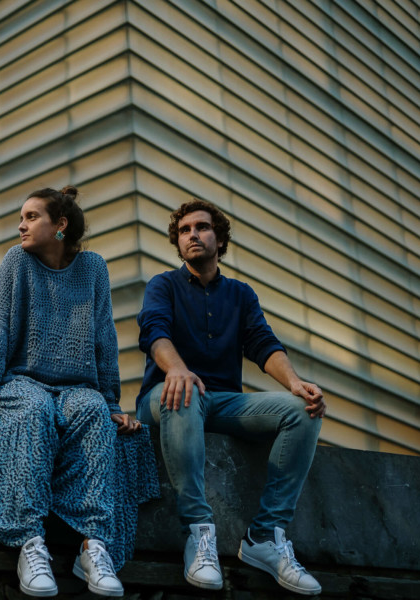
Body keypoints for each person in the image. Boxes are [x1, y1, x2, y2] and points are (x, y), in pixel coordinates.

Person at [0, 186, 159, 597]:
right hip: (22, 382)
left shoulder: (93, 269)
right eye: (21, 217)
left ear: (60, 225)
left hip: (77, 387)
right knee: (31, 412)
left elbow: (104, 338)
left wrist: (110, 402)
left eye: (31, 216)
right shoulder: (17, 262)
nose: (21, 225)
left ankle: (93, 546)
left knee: (92, 413)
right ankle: (31, 544)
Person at [135, 199, 326, 596]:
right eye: (185, 230)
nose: (193, 235)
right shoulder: (163, 285)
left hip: (223, 402)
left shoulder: (241, 294)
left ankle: (264, 539)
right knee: (185, 391)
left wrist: (293, 381)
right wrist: (177, 368)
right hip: (166, 397)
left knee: (302, 411)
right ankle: (198, 533)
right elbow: (154, 332)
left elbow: (261, 342)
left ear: (218, 239)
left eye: (202, 228)